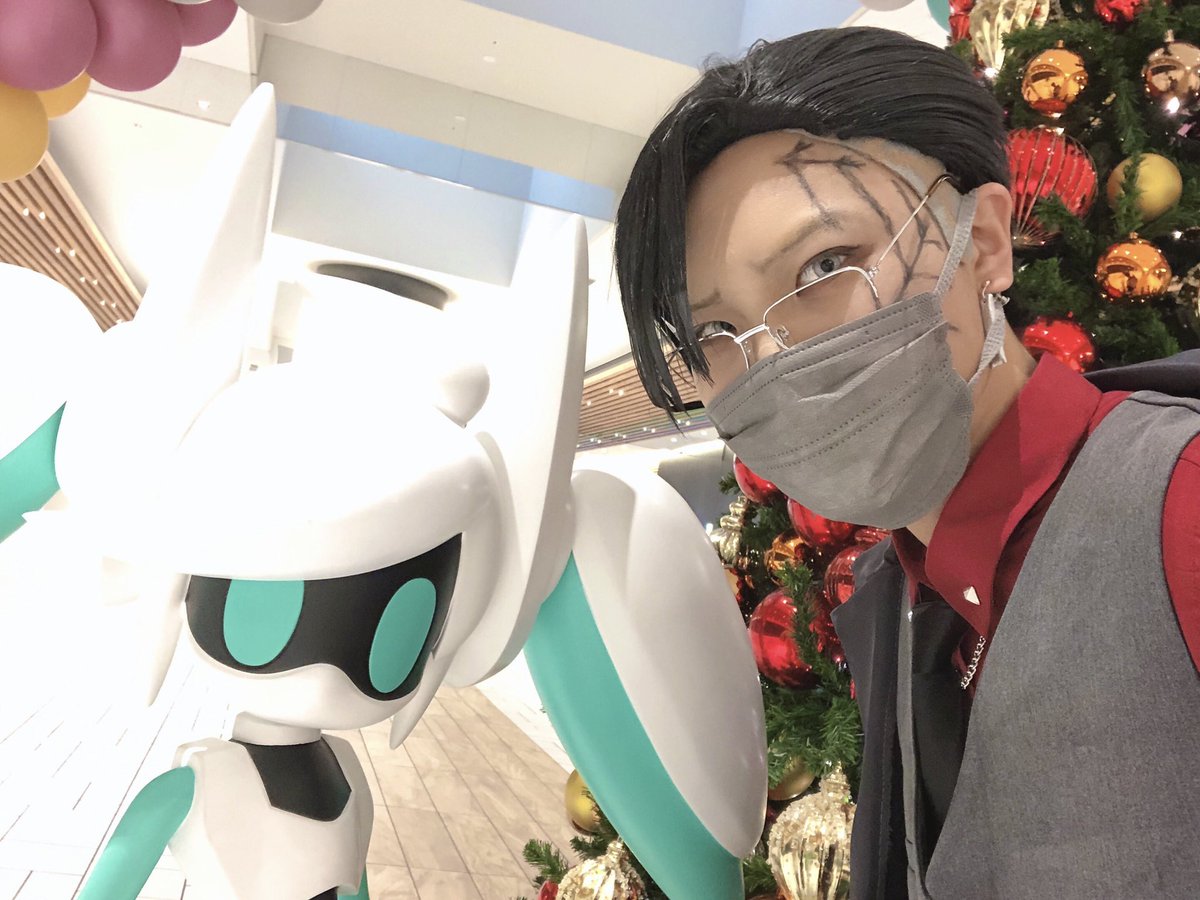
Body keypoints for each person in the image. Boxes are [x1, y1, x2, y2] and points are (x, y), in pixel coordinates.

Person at [613, 26, 1200, 900]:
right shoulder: (898, 594)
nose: (771, 354)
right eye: (716, 332)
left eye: (825, 264)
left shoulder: (1177, 505)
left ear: (986, 242)